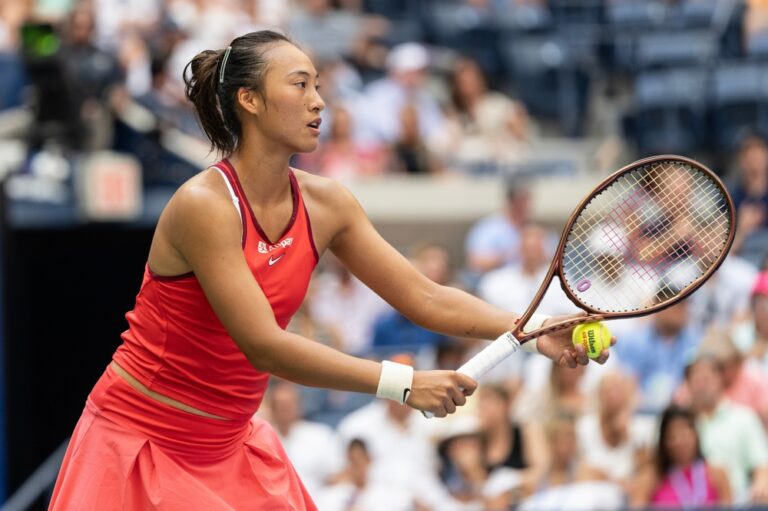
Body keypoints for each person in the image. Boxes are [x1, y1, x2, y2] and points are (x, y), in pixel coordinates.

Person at [49, 30, 608, 510]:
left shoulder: (328, 205)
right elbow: (264, 346)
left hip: (228, 447)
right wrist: (404, 383)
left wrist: (533, 332)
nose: (319, 102)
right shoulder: (204, 206)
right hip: (142, 441)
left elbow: (425, 298)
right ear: (249, 99)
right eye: (299, 84)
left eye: (318, 84)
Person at [633, 406, 731, 509]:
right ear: (664, 441)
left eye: (684, 434)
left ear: (696, 435)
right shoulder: (650, 479)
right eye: (672, 436)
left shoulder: (718, 474)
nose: (679, 442)